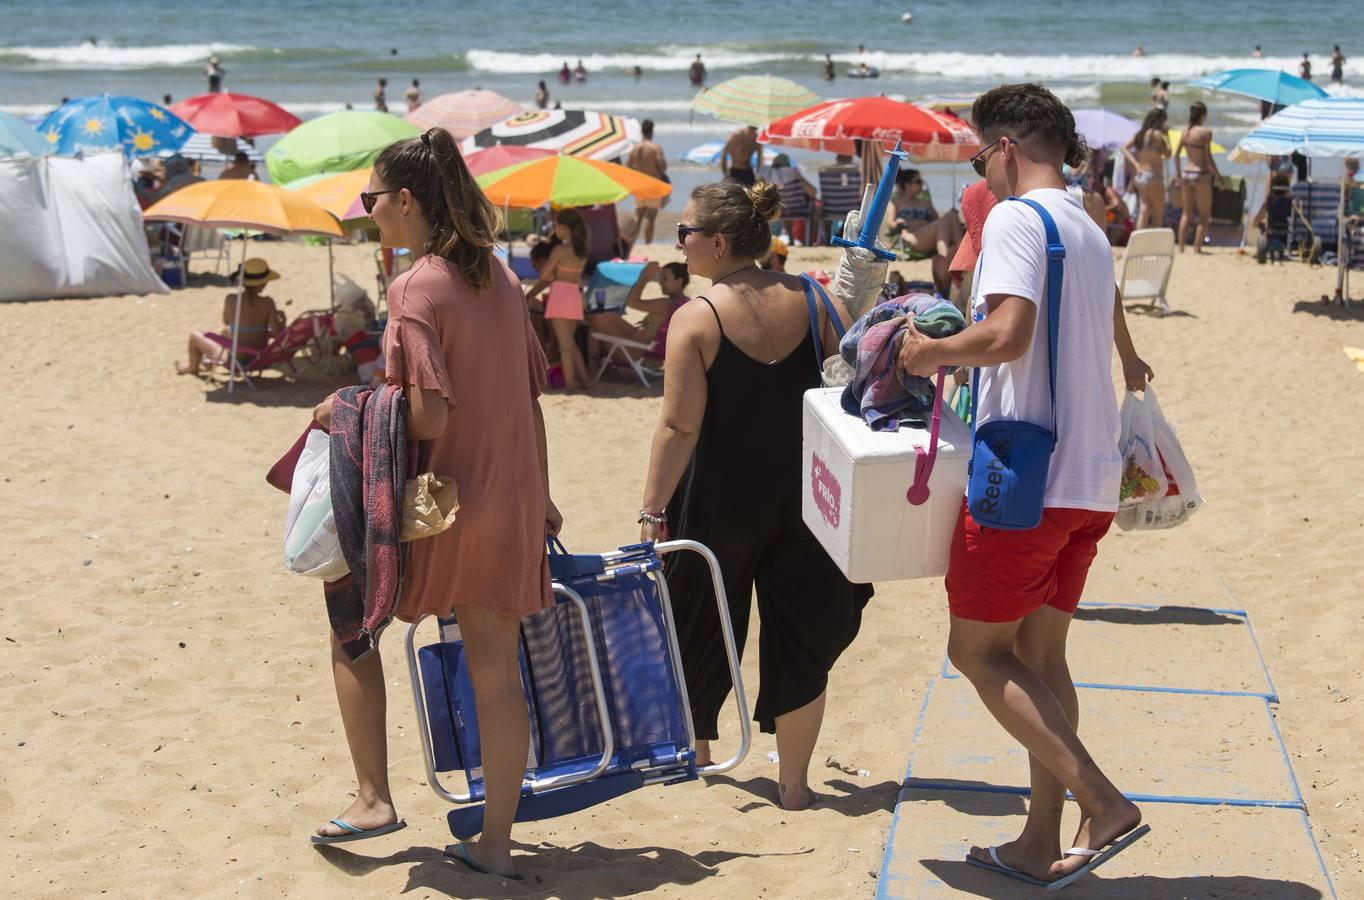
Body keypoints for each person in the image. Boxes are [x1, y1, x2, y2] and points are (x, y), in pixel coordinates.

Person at [896, 83, 1144, 887]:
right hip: (1090, 478)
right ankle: (1039, 840)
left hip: (1024, 476)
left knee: (975, 650)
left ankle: (1102, 801)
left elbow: (1006, 335)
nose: (982, 173)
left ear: (1005, 147)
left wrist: (929, 353)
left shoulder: (1012, 218)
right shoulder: (1090, 222)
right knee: (1041, 655)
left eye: (979, 155)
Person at [310, 128, 559, 881]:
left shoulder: (416, 286)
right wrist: (542, 497)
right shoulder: (504, 279)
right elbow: (531, 398)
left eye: (373, 199)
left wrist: (349, 407)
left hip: (443, 504)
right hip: (511, 495)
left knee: (349, 616)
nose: (369, 213)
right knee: (496, 669)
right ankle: (494, 844)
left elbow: (429, 418)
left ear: (408, 200)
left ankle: (374, 797)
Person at [639, 180, 871, 812]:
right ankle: (794, 786)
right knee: (802, 637)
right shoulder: (818, 300)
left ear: (717, 242)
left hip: (720, 500)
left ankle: (699, 757)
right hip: (808, 498)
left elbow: (679, 427)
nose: (679, 244)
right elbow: (851, 391)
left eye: (684, 234)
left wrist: (652, 510)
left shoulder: (698, 317)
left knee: (700, 622)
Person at [176, 258, 284, 375]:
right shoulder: (268, 303)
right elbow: (278, 334)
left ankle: (192, 368)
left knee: (195, 336)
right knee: (226, 331)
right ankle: (206, 364)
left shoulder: (231, 300)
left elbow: (226, 320)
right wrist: (282, 322)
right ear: (264, 283)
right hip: (259, 358)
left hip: (238, 362)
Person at [525, 208, 591, 390]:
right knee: (571, 342)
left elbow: (544, 275)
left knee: (565, 346)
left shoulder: (560, 250)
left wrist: (552, 271)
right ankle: (586, 381)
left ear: (562, 227)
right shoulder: (581, 250)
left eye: (556, 226)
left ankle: (570, 385)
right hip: (575, 294)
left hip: (560, 295)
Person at [888, 168, 965, 295]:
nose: (921, 185)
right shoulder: (896, 202)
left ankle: (950, 255)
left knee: (951, 215)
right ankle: (953, 256)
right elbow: (891, 222)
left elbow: (938, 219)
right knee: (949, 217)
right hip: (912, 238)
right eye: (918, 182)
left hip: (928, 238)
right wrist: (899, 222)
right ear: (907, 185)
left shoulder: (925, 202)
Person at [588, 260, 691, 351]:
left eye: (665, 279)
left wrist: (645, 277)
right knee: (606, 314)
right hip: (640, 342)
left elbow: (631, 302)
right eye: (660, 279)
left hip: (635, 351)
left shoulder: (665, 304)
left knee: (597, 318)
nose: (660, 283)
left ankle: (592, 367)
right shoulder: (685, 302)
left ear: (679, 281)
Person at [1174, 101, 1222, 253]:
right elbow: (1208, 159)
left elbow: (1176, 155)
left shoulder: (1186, 131)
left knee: (1186, 214)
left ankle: (1181, 247)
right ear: (1203, 115)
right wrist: (1218, 176)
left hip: (1187, 173)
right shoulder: (1205, 132)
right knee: (1204, 215)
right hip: (1200, 174)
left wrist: (1178, 175)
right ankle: (1196, 248)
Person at [1121, 108, 1171, 229]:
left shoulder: (1140, 134)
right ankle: (1154, 243)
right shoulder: (1158, 135)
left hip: (1140, 176)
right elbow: (1168, 153)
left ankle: (1138, 241)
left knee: (1144, 210)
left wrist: (1135, 163)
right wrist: (1167, 135)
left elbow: (1123, 148)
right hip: (1154, 177)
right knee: (1158, 213)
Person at [626, 119, 668, 244]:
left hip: (640, 184)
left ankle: (632, 242)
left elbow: (628, 167)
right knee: (650, 216)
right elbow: (663, 167)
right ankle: (648, 244)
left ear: (642, 132)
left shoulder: (636, 148)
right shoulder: (655, 148)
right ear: (652, 132)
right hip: (653, 184)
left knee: (638, 216)